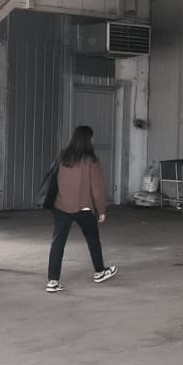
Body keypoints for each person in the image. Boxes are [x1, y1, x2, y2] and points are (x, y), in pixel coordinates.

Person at [46, 125, 116, 293]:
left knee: (58, 243)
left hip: (62, 206)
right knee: (93, 240)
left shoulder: (63, 156)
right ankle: (100, 272)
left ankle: (52, 281)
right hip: (84, 209)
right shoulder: (91, 160)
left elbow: (54, 179)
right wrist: (101, 210)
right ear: (88, 140)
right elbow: (97, 188)